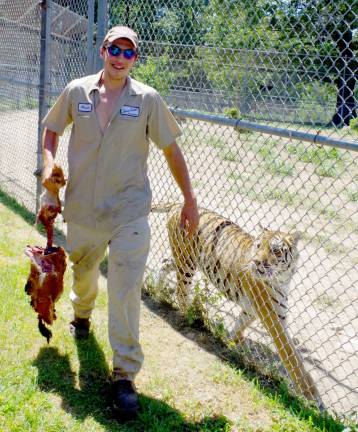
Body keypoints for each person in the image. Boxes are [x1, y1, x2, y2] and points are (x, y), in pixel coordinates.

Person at [40, 25, 199, 418]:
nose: (120, 58)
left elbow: (171, 150)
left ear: (135, 59)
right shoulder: (77, 91)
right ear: (102, 50)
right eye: (115, 49)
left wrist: (189, 200)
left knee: (126, 289)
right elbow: (52, 130)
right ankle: (81, 312)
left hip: (130, 213)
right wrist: (48, 167)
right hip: (84, 211)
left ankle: (124, 375)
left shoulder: (148, 100)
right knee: (84, 277)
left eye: (129, 53)